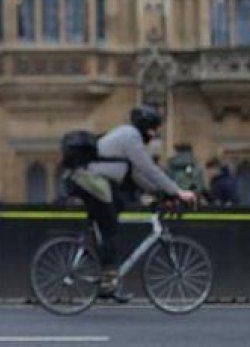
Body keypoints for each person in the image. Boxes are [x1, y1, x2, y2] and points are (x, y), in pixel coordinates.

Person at [65, 105, 196, 303]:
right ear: (145, 126)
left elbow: (137, 175)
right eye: (153, 129)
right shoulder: (130, 136)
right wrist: (177, 191)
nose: (153, 134)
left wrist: (160, 193)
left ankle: (106, 269)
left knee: (115, 212)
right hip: (90, 181)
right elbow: (148, 168)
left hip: (96, 182)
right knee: (110, 227)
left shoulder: (126, 136)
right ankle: (108, 282)